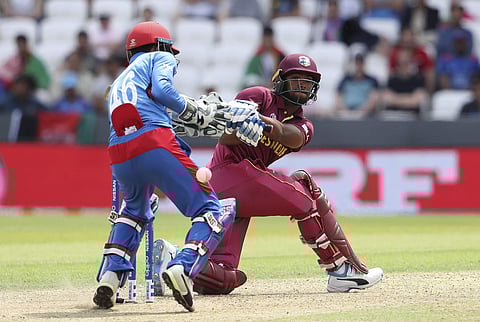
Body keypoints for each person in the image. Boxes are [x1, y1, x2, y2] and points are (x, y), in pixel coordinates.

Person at [155, 53, 384, 295]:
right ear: (280, 80)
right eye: (296, 80)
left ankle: (174, 259)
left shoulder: (304, 125)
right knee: (304, 197)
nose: (302, 87)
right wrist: (239, 124)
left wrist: (263, 123)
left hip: (238, 192)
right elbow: (225, 136)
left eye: (308, 83)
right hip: (230, 172)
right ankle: (340, 269)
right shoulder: (258, 95)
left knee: (225, 276)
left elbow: (289, 135)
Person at [93, 21, 263, 312]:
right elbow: (162, 91)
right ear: (160, 45)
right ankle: (181, 267)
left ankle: (109, 278)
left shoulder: (119, 80)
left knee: (133, 211)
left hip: (119, 152)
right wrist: (193, 109)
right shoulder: (160, 56)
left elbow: (147, 108)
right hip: (154, 143)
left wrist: (195, 114)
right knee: (212, 209)